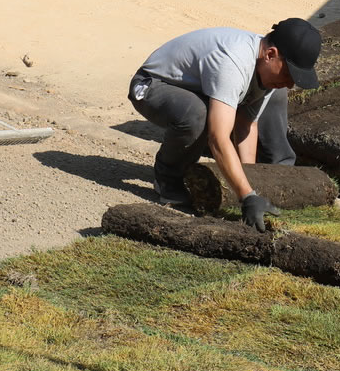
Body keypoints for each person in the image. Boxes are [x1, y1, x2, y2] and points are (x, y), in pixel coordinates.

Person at [128, 19, 321, 230]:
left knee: (277, 92)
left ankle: (274, 174)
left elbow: (246, 125)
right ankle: (167, 178)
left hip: (197, 89)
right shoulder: (233, 62)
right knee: (198, 115)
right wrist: (246, 197)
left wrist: (249, 184)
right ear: (270, 54)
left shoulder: (263, 65)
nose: (291, 83)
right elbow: (218, 137)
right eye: (288, 73)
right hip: (151, 85)